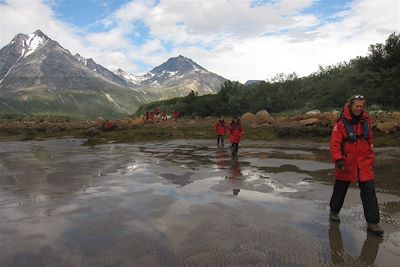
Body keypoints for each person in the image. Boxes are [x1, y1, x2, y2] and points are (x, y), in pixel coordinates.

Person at [329, 95, 383, 236]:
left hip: (364, 163)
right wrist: (338, 160)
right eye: (356, 106)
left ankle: (372, 223)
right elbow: (334, 144)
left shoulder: (366, 121)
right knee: (340, 190)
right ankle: (334, 211)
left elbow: (369, 141)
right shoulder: (341, 123)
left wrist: (371, 158)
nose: (359, 109)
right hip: (346, 163)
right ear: (350, 106)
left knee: (369, 192)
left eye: (361, 106)